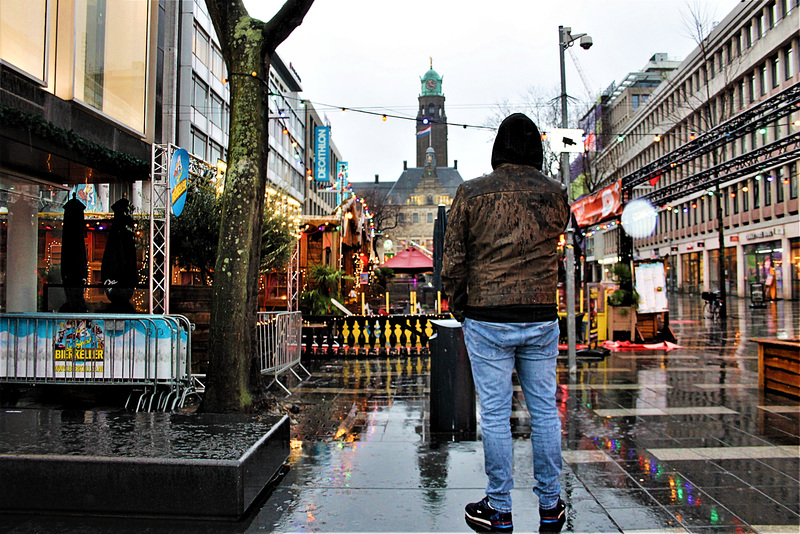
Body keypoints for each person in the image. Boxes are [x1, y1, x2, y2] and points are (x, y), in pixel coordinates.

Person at [442, 113, 570, 533]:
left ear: (498, 148)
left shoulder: (472, 193)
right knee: (545, 412)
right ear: (537, 149)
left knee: (495, 415)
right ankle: (551, 505)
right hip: (539, 314)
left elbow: (454, 262)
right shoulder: (556, 195)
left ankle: (499, 508)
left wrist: (463, 307)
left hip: (488, 316)